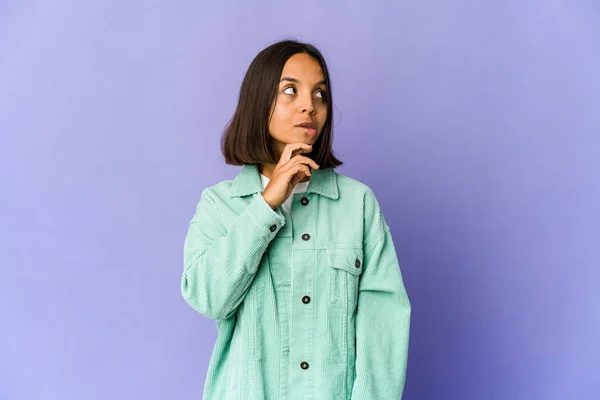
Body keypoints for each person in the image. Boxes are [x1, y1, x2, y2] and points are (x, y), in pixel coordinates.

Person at [181, 39, 411, 399]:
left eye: (320, 94)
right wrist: (267, 202)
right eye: (291, 90)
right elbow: (209, 299)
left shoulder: (357, 204)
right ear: (259, 102)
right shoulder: (219, 205)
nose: (310, 106)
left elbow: (384, 325)